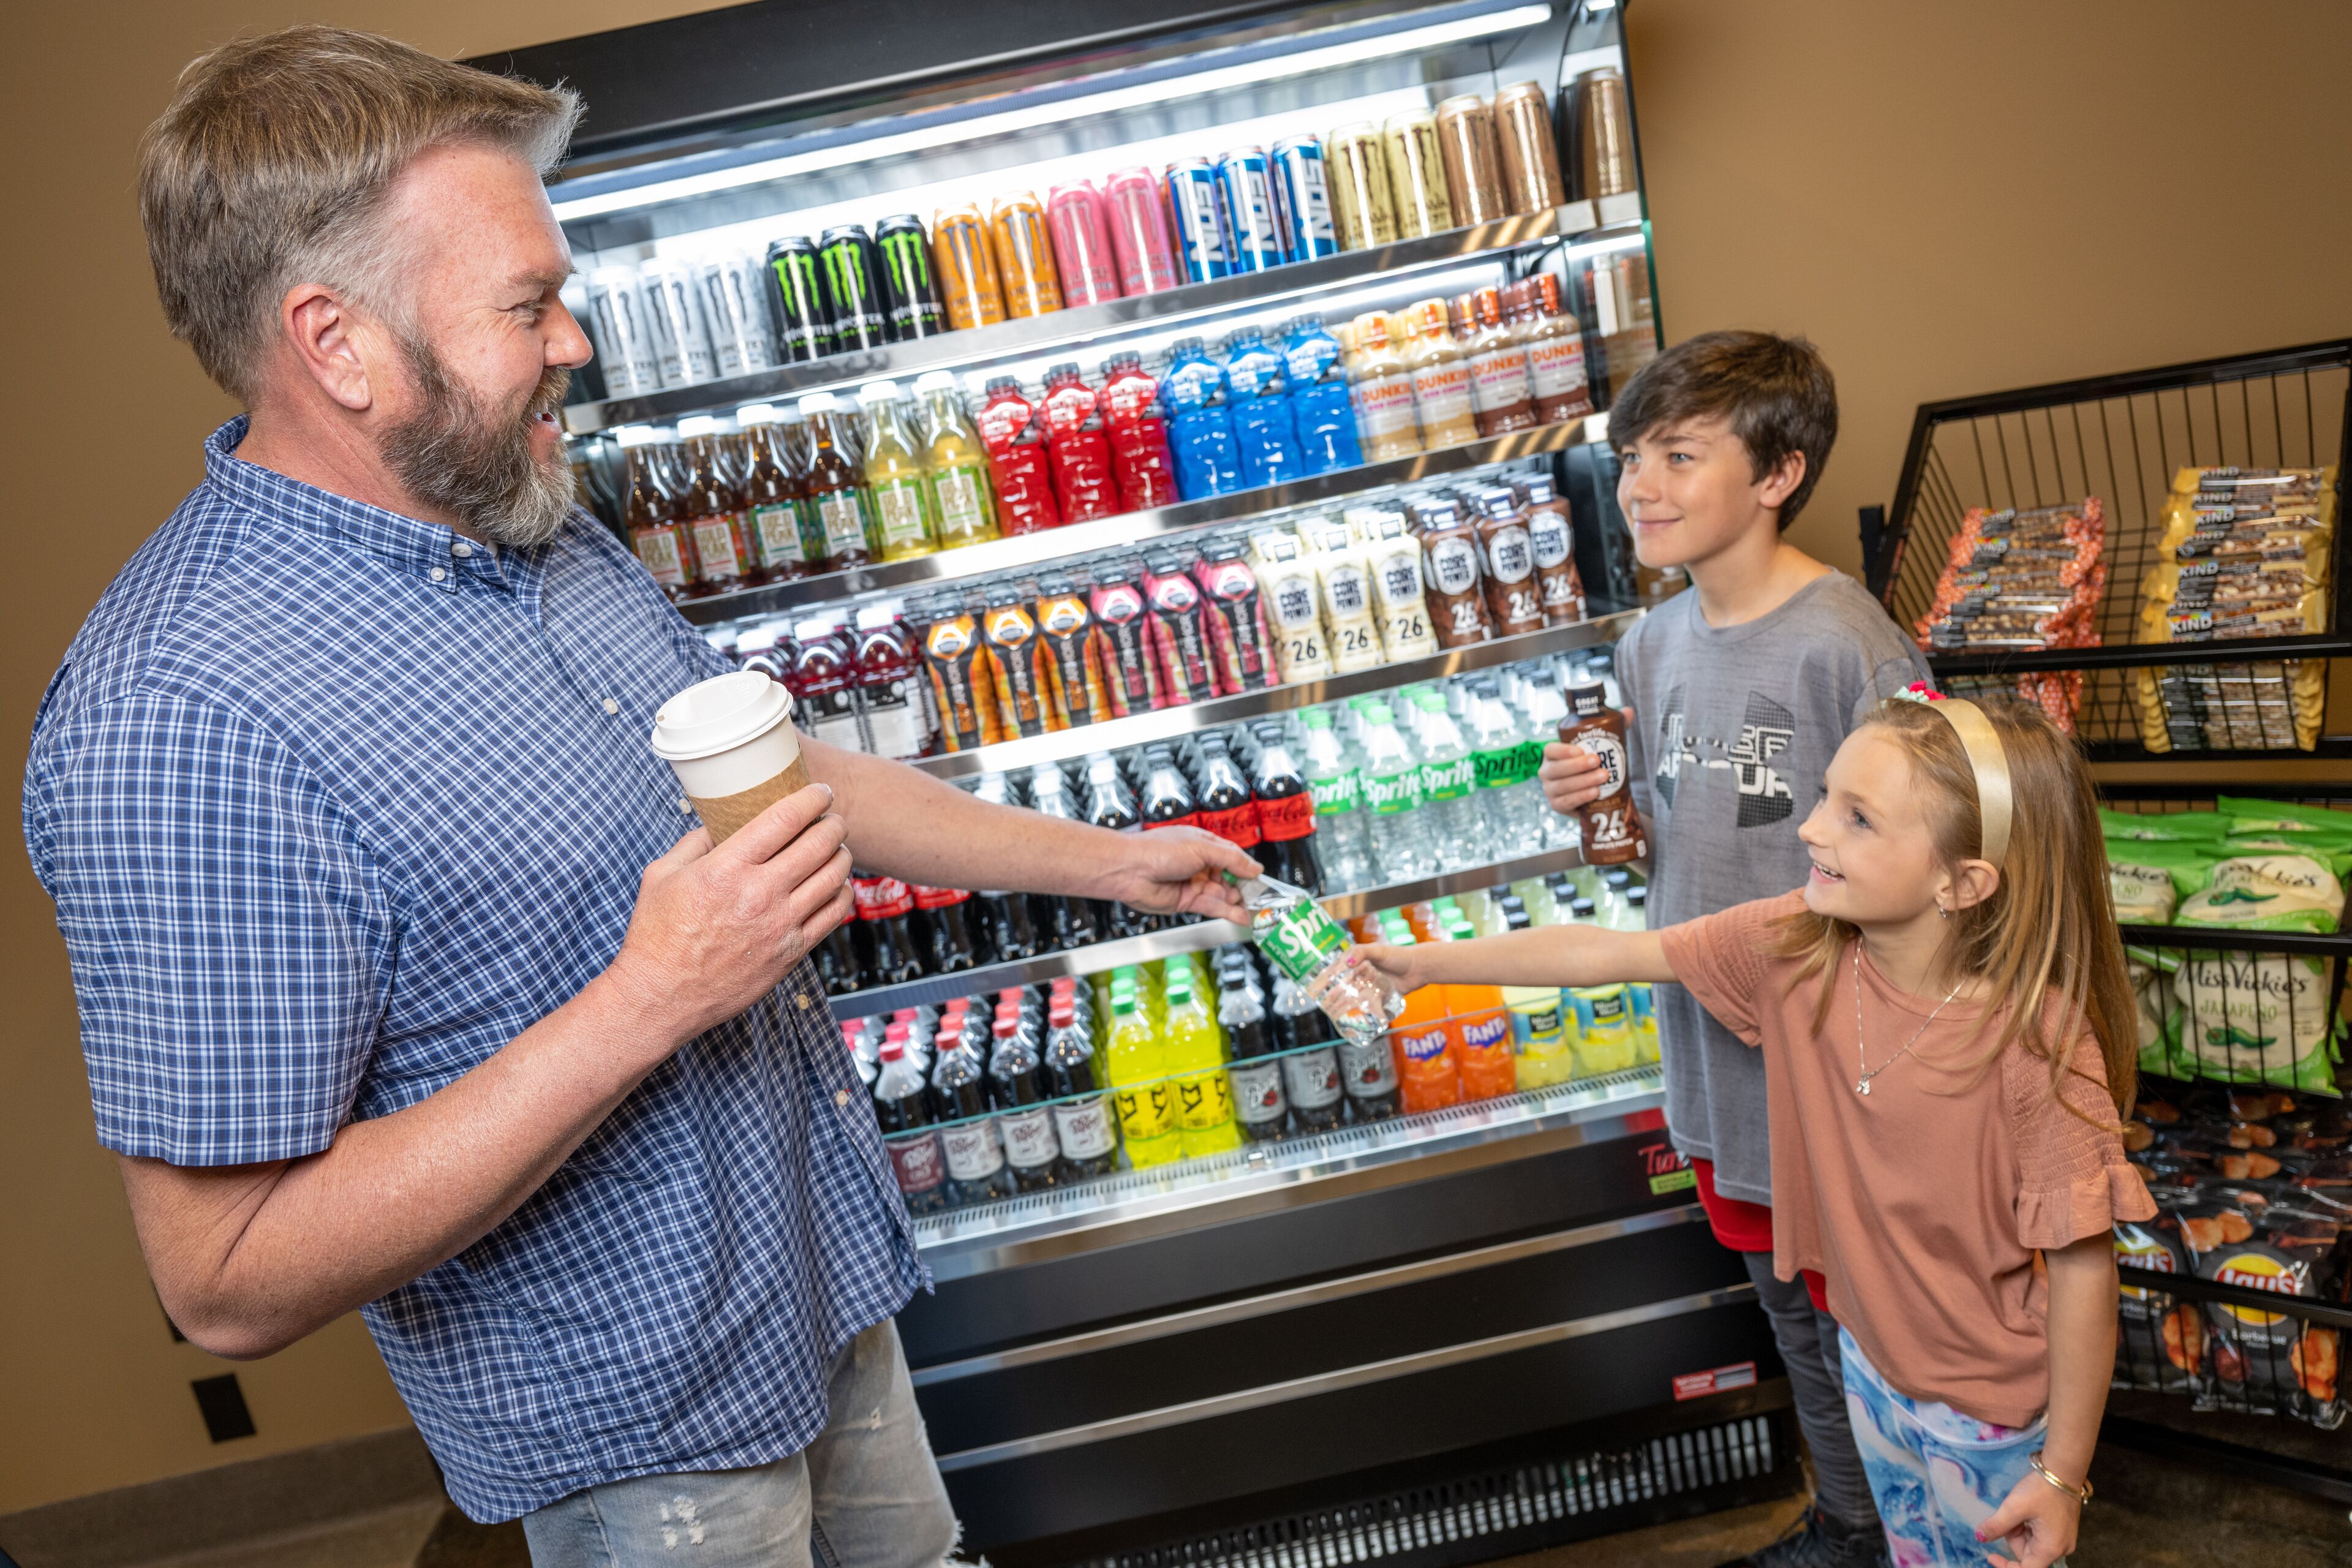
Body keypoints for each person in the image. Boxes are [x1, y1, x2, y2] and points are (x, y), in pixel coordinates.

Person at [21, 26, 1256, 1564]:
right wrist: (651, 994)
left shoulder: (527, 520)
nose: (576, 343)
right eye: (525, 306)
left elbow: (772, 778)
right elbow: (227, 1274)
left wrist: (1105, 862)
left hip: (816, 1300)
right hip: (640, 1438)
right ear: (334, 342)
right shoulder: (182, 718)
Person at [1370, 692, 2152, 1568]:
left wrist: (2061, 1474)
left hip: (1991, 1414)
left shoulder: (2033, 1039)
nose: (1812, 831)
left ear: (1961, 883)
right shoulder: (1796, 948)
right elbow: (1608, 952)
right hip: (1870, 1367)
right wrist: (1419, 965)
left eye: (1858, 819)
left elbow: (2085, 1267)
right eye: (1824, 797)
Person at [1539, 330, 1927, 1567]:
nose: (1640, 484)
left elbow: (1933, 869)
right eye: (1631, 457)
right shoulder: (1649, 648)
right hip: (1717, 1067)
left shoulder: (1849, 645)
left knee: (1870, 1322)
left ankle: (1910, 1526)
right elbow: (1661, 845)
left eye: (1678, 454)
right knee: (1790, 1318)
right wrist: (1601, 801)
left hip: (1840, 1074)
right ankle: (1852, 1522)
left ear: (1777, 473)